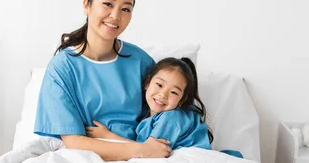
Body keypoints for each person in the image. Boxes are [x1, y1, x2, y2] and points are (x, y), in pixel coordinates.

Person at [33, 0, 172, 161]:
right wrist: (140, 151)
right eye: (107, 4)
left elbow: (165, 114)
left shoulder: (140, 61)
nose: (115, 16)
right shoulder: (62, 68)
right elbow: (74, 141)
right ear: (87, 5)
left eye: (125, 9)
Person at [86, 57, 214, 150]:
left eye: (174, 92)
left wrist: (108, 136)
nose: (163, 95)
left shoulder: (172, 118)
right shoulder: (143, 113)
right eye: (159, 85)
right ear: (147, 83)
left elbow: (150, 150)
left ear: (181, 100)